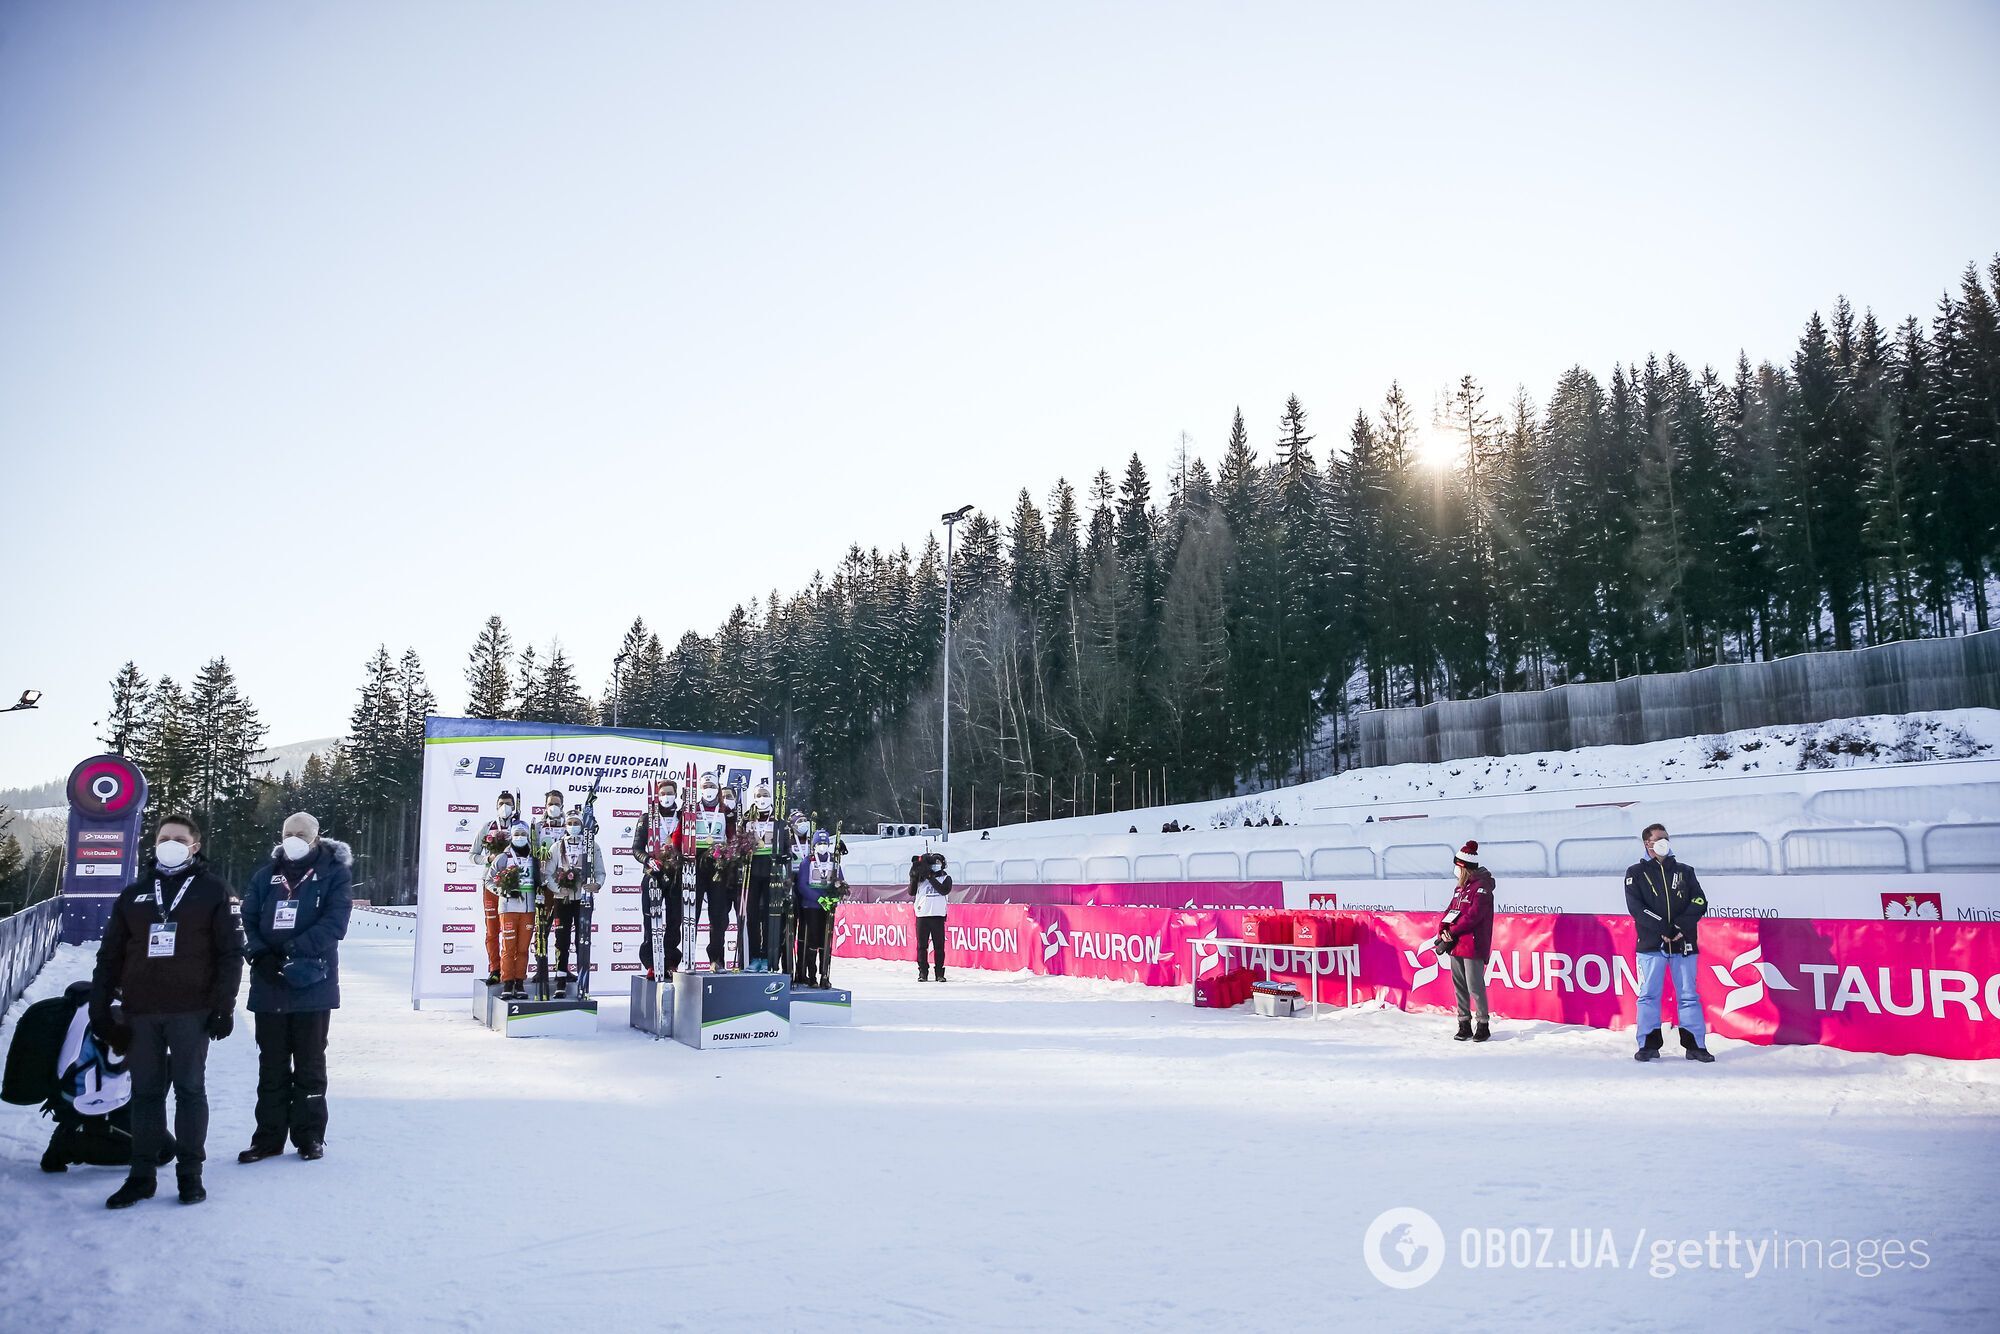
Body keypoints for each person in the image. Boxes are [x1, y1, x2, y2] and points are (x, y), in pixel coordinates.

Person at [88, 812, 243, 1209]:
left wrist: (223, 1007)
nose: (168, 844)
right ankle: (141, 1176)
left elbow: (230, 955)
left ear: (194, 845)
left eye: (177, 838)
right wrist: (100, 1010)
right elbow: (109, 957)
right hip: (141, 1011)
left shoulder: (212, 890)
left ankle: (190, 1175)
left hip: (191, 1010)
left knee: (190, 1091)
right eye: (162, 838)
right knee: (145, 1095)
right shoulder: (135, 894)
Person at [238, 812, 352, 1163]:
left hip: (312, 985)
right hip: (269, 985)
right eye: (288, 833)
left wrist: (289, 951)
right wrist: (260, 954)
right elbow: (249, 918)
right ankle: (268, 1138)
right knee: (271, 1066)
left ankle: (309, 1136)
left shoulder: (334, 874)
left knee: (310, 1065)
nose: (294, 838)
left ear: (316, 837)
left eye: (301, 833)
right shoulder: (265, 877)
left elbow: (335, 924)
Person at [1627, 824, 1712, 1063]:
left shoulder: (1685, 871)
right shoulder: (1635, 872)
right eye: (1658, 838)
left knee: (1688, 996)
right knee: (1648, 996)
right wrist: (1663, 927)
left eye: (1666, 838)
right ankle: (1648, 1045)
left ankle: (1695, 1045)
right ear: (1648, 844)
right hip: (1651, 945)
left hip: (1683, 943)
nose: (1664, 841)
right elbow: (1637, 908)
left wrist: (1679, 927)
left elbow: (1699, 900)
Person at [1435, 840, 1494, 1042]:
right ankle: (1464, 1024)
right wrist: (1442, 929)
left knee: (1475, 986)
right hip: (1456, 944)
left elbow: (1473, 916)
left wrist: (1452, 930)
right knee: (1459, 985)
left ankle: (1483, 1024)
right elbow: (1450, 910)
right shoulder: (1460, 888)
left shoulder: (1482, 887)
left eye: (1457, 866)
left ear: (1464, 867)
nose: (1454, 870)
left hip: (1473, 944)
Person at [632, 778, 687, 980]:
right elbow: (636, 848)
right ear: (656, 796)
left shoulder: (683, 816)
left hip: (676, 874)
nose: (666, 797)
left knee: (675, 920)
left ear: (676, 794)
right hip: (653, 873)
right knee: (651, 919)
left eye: (670, 793)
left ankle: (671, 961)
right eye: (662, 793)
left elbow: (690, 844)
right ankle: (652, 962)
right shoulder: (647, 818)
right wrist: (648, 860)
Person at [489, 821, 542, 999]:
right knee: (508, 947)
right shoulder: (503, 857)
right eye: (517, 834)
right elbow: (488, 881)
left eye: (523, 834)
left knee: (523, 948)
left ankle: (519, 982)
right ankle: (507, 982)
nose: (520, 837)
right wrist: (501, 890)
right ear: (512, 835)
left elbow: (539, 880)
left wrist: (541, 893)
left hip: (528, 909)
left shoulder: (534, 858)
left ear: (528, 836)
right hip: (508, 907)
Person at [472, 790, 518, 987]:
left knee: (512, 930)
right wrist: (488, 859)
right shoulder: (488, 827)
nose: (504, 807)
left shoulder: (520, 826)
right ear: (496, 806)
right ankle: (495, 969)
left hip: (514, 885)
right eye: (501, 803)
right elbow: (472, 855)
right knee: (492, 930)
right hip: (491, 884)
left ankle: (512, 972)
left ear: (514, 807)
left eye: (508, 803)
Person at [744, 780, 778, 972]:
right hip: (752, 871)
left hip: (771, 872)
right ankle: (754, 957)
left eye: (765, 795)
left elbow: (786, 843)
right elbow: (740, 842)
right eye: (758, 796)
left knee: (768, 917)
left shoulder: (778, 818)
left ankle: (767, 958)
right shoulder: (748, 817)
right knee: (752, 916)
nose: (762, 799)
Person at [908, 851, 953, 982]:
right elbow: (911, 892)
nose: (935, 865)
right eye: (933, 862)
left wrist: (930, 877)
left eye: (938, 862)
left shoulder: (946, 878)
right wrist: (914, 876)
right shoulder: (922, 880)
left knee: (939, 946)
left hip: (938, 916)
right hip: (922, 915)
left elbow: (943, 890)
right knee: (922, 946)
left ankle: (939, 973)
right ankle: (923, 972)